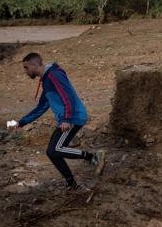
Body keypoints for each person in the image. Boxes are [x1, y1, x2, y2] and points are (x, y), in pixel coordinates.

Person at [14, 52, 105, 192]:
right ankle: (71, 184)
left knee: (55, 149)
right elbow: (42, 107)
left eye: (26, 67)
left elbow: (68, 96)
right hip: (66, 119)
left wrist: (66, 118)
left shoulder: (54, 75)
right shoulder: (46, 80)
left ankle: (92, 157)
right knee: (52, 152)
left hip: (73, 118)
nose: (25, 71)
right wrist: (21, 122)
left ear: (34, 64)